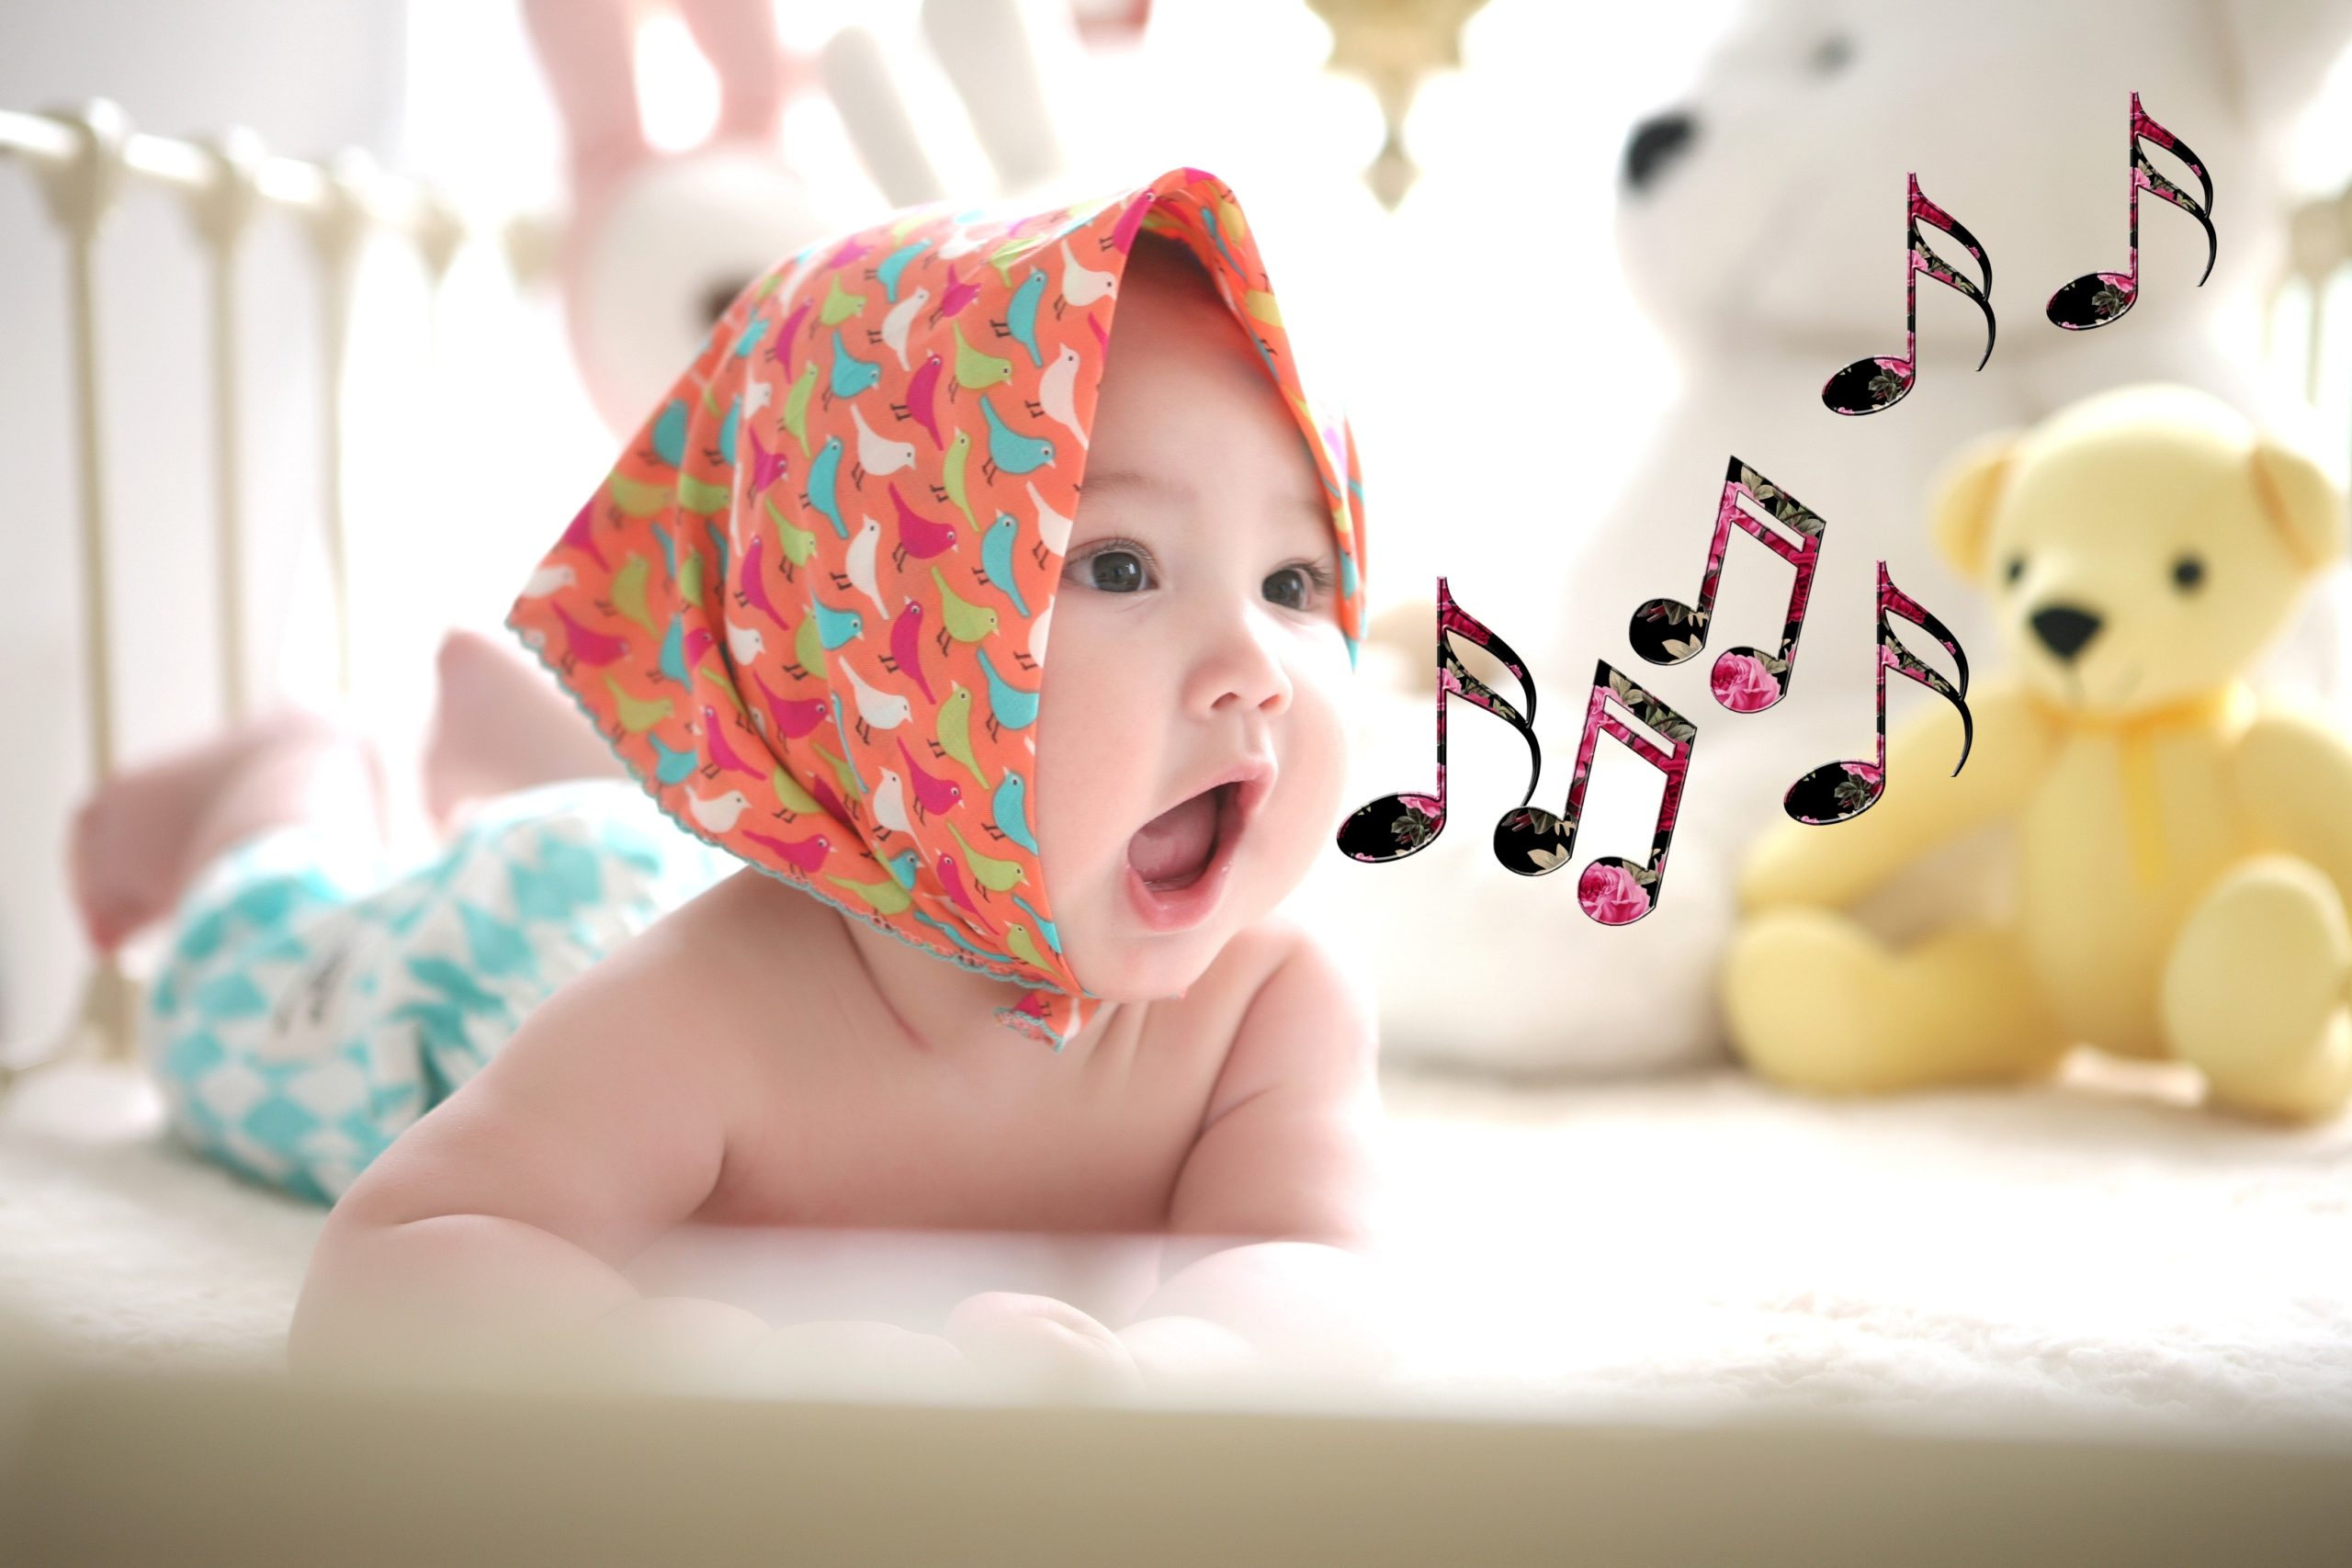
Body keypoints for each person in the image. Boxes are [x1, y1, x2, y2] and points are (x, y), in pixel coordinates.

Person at [72, 166, 1385, 1393]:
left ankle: (524, 738)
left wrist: (1184, 1371)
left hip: (797, 846)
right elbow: (387, 1266)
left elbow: (1312, 1266)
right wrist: (737, 1370)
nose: (1256, 669)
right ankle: (284, 775)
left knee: (704, 825)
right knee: (250, 964)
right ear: (884, 645)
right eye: (1119, 567)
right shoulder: (716, 1011)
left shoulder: (1269, 1003)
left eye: (1291, 583)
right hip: (514, 933)